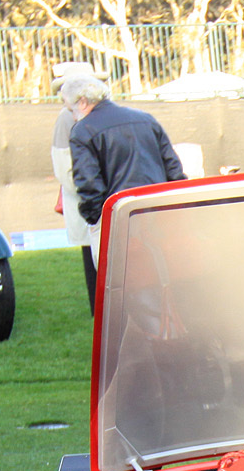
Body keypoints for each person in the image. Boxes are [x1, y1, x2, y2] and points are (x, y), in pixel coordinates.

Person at [65, 74, 187, 314]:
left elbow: (89, 184)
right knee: (166, 281)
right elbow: (174, 170)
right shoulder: (145, 119)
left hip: (119, 218)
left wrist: (95, 219)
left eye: (69, 108)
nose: (70, 115)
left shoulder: (82, 131)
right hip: (158, 212)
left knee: (122, 292)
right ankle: (169, 330)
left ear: (81, 102)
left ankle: (142, 335)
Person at [50, 61, 99, 272]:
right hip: (88, 207)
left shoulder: (94, 114)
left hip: (95, 205)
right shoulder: (65, 119)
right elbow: (65, 170)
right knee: (94, 268)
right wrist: (93, 198)